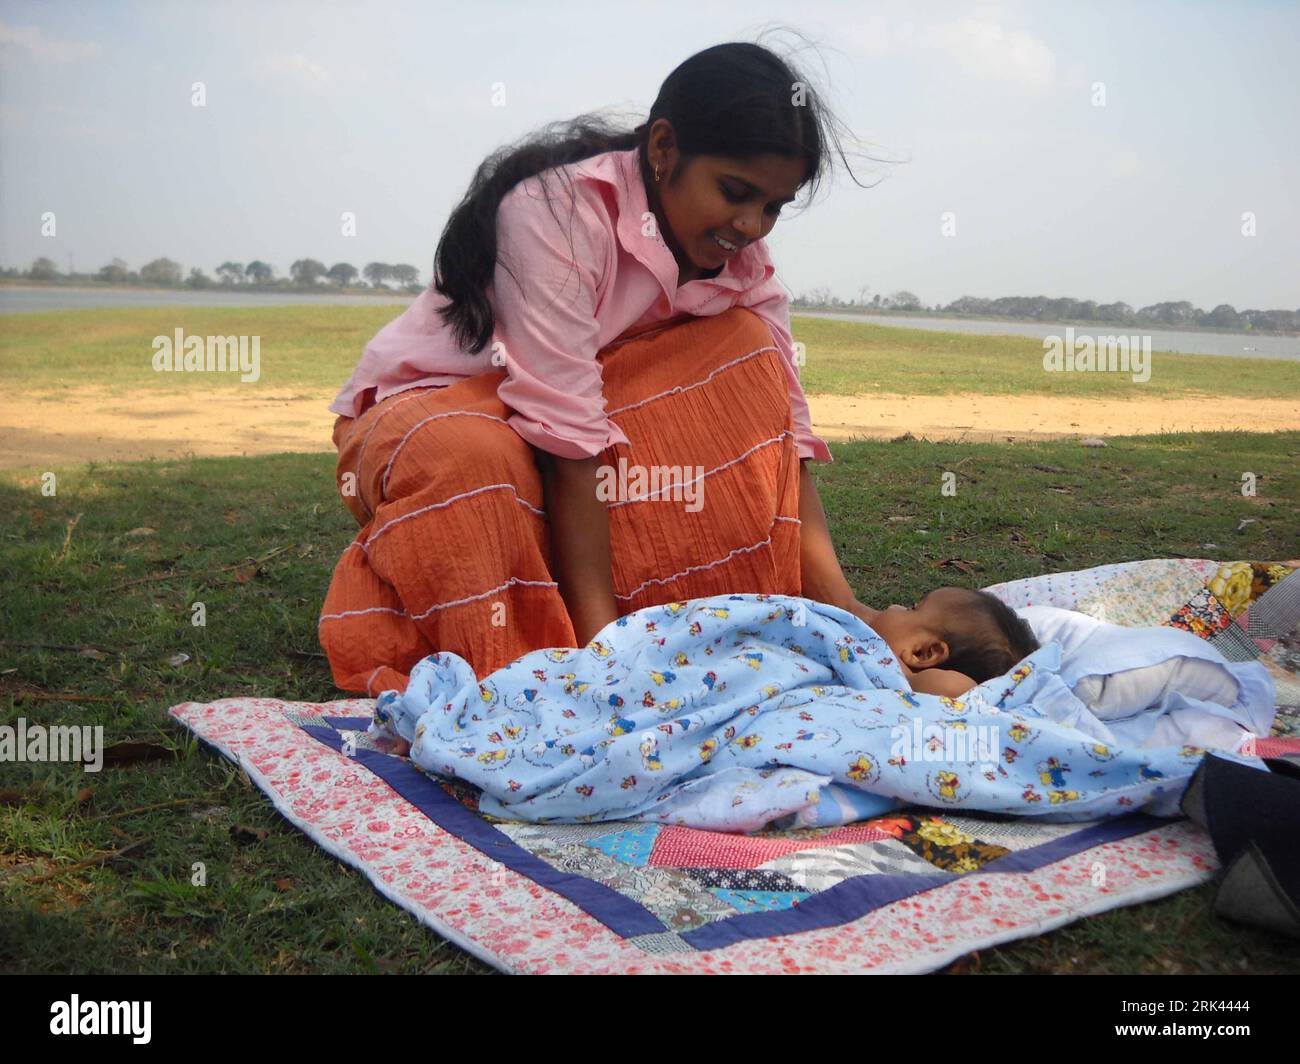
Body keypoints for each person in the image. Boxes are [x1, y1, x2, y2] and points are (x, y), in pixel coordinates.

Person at [319, 38, 887, 696]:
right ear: (664, 148)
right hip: (431, 414)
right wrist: (601, 656)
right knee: (476, 457)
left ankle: (675, 624)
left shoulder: (742, 264)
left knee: (748, 351)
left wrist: (849, 616)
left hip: (562, 429)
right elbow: (569, 438)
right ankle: (540, 665)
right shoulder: (555, 212)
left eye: (773, 207)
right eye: (736, 192)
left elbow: (785, 438)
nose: (753, 225)